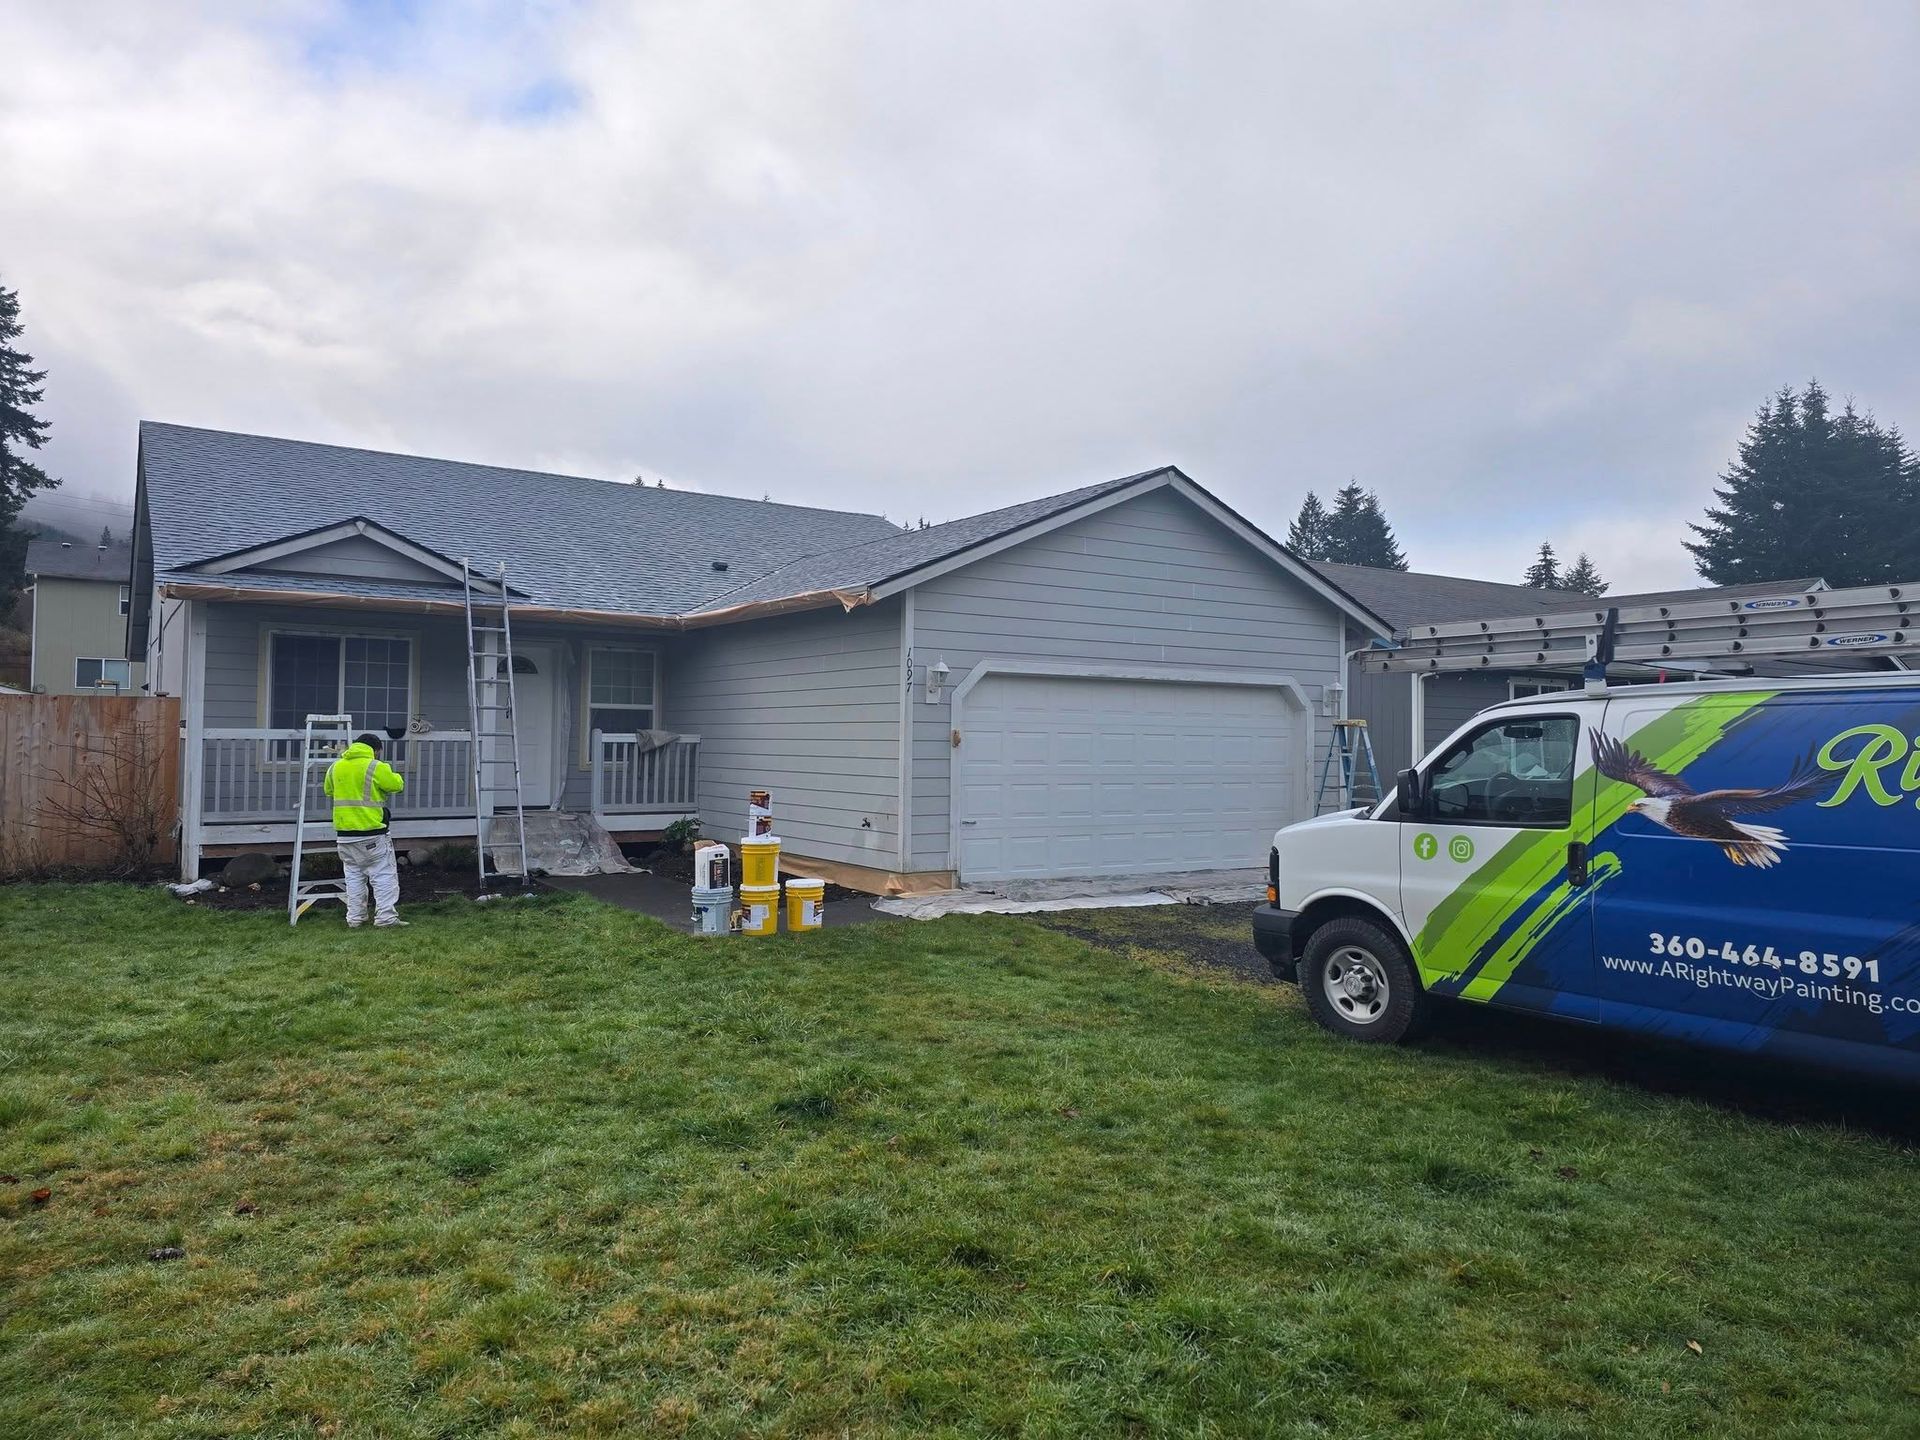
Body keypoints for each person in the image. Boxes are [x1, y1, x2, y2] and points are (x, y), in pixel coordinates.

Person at [323, 732, 408, 928]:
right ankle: (386, 918)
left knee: (353, 878)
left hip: (344, 836)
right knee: (383, 876)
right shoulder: (375, 766)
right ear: (376, 750)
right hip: (372, 834)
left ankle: (355, 918)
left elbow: (328, 790)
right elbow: (396, 784)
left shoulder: (335, 766)